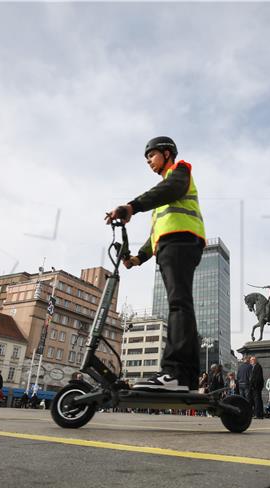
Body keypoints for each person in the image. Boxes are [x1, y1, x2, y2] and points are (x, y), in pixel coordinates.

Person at [105, 136, 205, 392]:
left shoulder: (180, 171)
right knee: (181, 303)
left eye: (151, 155)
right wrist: (139, 257)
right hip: (172, 245)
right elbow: (157, 233)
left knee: (178, 304)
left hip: (181, 243)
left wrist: (132, 206)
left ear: (167, 153)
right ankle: (187, 377)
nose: (148, 161)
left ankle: (175, 373)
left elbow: (169, 190)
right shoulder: (165, 192)